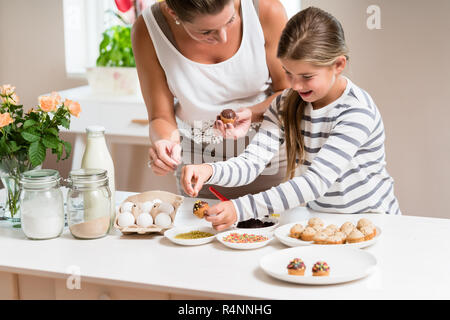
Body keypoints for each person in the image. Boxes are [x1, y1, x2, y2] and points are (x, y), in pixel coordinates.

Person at [181, 7, 401, 231]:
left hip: (374, 221)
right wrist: (209, 170)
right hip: (325, 222)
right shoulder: (286, 102)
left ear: (338, 65)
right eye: (288, 73)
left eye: (307, 76)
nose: (295, 86)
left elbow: (314, 182)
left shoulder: (356, 111)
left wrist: (240, 208)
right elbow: (251, 163)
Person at [131, 0, 290, 198]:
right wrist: (165, 142)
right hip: (199, 167)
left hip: (266, 157)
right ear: (173, 14)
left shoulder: (267, 11)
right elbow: (160, 116)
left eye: (231, 19)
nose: (223, 37)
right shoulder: (148, 29)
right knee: (200, 227)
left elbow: (289, 93)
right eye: (206, 32)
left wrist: (251, 113)